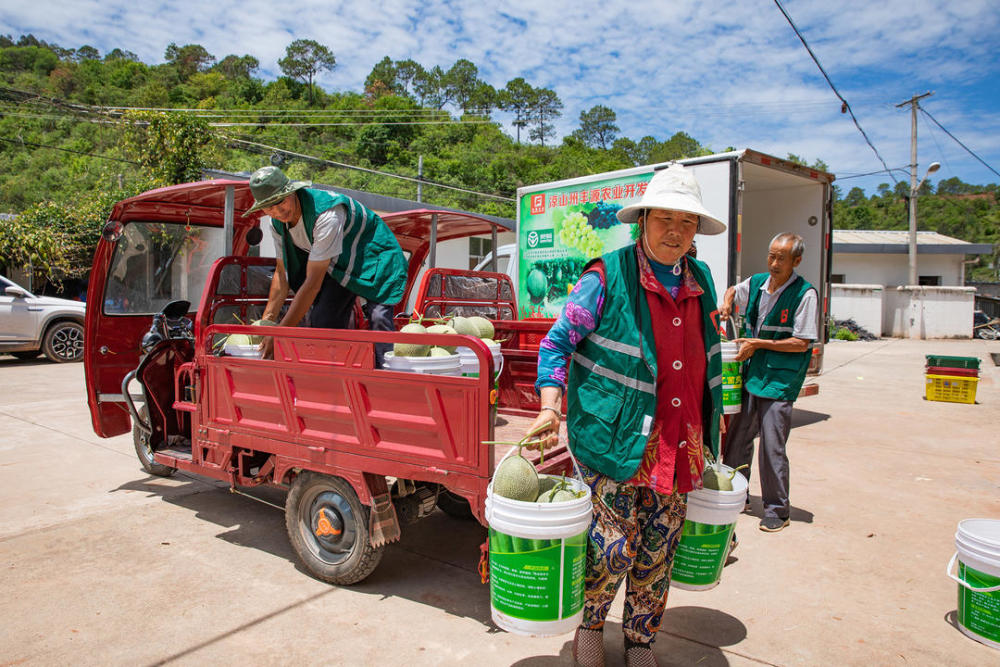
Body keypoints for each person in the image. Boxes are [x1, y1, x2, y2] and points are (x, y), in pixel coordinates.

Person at [525, 164, 726, 667]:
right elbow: (555, 346)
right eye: (664, 219)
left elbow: (707, 355)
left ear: (696, 229)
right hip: (613, 441)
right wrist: (551, 407)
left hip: (678, 442)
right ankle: (590, 631)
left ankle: (640, 643)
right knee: (609, 549)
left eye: (686, 221)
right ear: (642, 221)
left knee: (658, 553)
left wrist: (715, 414)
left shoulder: (700, 279)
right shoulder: (605, 277)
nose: (675, 231)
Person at [246, 166, 408, 366]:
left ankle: (386, 377)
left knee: (378, 317)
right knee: (323, 318)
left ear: (292, 192)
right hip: (339, 263)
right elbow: (282, 274)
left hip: (374, 257)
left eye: (281, 202)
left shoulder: (326, 214)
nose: (278, 212)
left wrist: (279, 333)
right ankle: (335, 372)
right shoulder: (277, 224)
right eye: (269, 208)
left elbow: (313, 282)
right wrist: (267, 325)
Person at [718, 232, 818, 533]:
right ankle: (739, 495)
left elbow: (802, 342)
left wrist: (759, 343)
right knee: (737, 440)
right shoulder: (759, 283)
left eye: (781, 258)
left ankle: (777, 509)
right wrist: (726, 303)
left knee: (772, 446)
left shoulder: (804, 294)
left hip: (779, 380)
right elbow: (734, 290)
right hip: (752, 374)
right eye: (771, 256)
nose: (774, 263)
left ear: (796, 261)